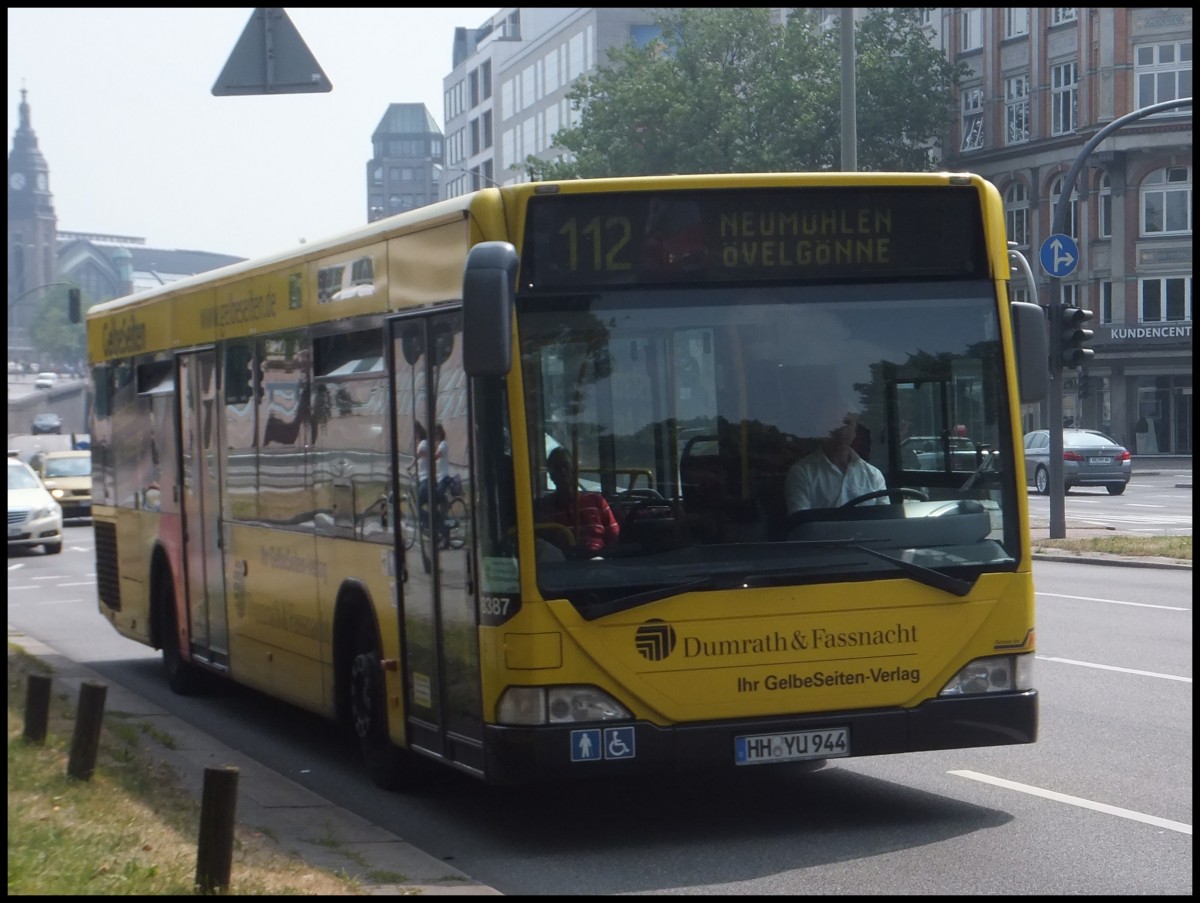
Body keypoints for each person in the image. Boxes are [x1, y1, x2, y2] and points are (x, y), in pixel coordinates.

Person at [785, 403, 888, 512]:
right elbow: (800, 521)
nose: (841, 430)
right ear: (821, 428)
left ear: (855, 430)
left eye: (847, 423)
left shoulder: (873, 475)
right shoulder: (802, 472)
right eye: (833, 422)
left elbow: (886, 521)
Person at [537, 447, 620, 555]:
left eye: (566, 466)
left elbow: (614, 538)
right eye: (557, 468)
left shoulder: (597, 501)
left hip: (599, 562)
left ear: (574, 470)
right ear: (551, 475)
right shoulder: (545, 507)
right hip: (563, 565)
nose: (563, 472)